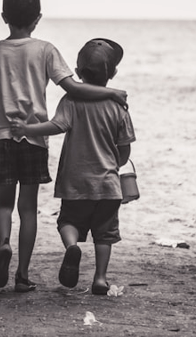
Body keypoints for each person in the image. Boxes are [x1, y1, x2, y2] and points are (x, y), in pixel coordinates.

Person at [0, 0, 127, 293]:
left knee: (4, 204)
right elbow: (74, 88)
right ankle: (22, 275)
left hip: (3, 139)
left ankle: (4, 243)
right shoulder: (45, 50)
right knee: (28, 208)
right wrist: (111, 92)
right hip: (33, 142)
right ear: (38, 18)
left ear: (3, 17)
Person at [9, 37, 135, 295]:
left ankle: (72, 247)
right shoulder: (118, 106)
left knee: (68, 221)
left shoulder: (71, 100)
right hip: (108, 184)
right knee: (105, 234)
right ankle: (100, 279)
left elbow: (57, 126)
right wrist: (118, 163)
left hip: (75, 181)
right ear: (113, 74)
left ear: (77, 72)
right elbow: (124, 147)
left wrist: (27, 129)